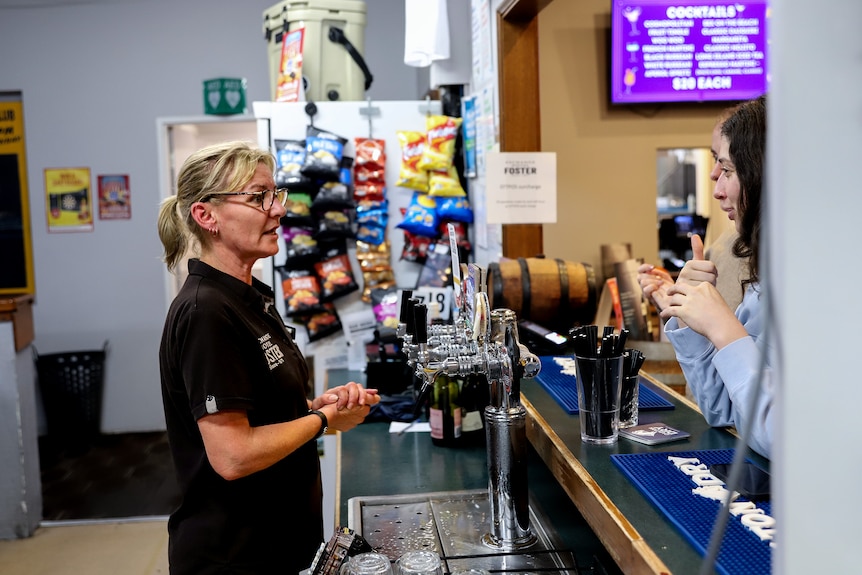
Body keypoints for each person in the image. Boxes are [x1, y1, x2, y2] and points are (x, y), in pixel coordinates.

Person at [157, 140, 380, 574]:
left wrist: (317, 408)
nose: (278, 210)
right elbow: (233, 455)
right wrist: (321, 422)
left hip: (279, 543)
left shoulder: (246, 299)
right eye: (259, 197)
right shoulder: (206, 312)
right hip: (236, 555)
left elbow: (257, 413)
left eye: (275, 194)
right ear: (207, 216)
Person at [640, 96, 773, 458]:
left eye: (727, 170)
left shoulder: (825, 284)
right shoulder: (765, 275)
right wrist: (691, 316)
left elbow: (782, 436)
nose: (716, 187)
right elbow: (720, 411)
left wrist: (724, 331)